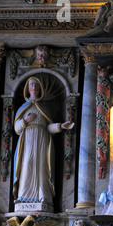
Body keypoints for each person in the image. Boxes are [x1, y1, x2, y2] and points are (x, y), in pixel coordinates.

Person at [13, 76, 74, 208]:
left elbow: (48, 127)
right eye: (31, 85)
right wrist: (25, 121)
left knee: (42, 167)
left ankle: (43, 196)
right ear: (27, 89)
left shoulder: (44, 109)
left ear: (40, 89)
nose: (34, 88)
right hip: (27, 140)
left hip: (42, 140)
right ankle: (22, 197)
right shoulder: (24, 108)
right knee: (26, 165)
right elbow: (16, 128)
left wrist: (61, 126)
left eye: (36, 86)